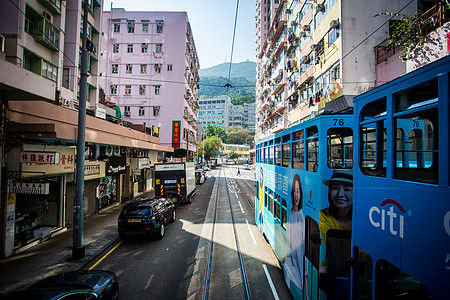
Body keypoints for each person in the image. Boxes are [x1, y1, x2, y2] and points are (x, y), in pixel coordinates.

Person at [319, 169, 353, 299]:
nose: (340, 194)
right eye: (335, 188)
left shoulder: (365, 219)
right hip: (335, 277)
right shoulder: (324, 215)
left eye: (348, 189)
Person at [284, 174, 307, 294]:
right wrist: (285, 253)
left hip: (300, 257)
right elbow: (289, 235)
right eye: (294, 191)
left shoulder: (303, 216)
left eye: (298, 191)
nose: (296, 195)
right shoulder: (291, 211)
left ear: (301, 194)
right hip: (292, 256)